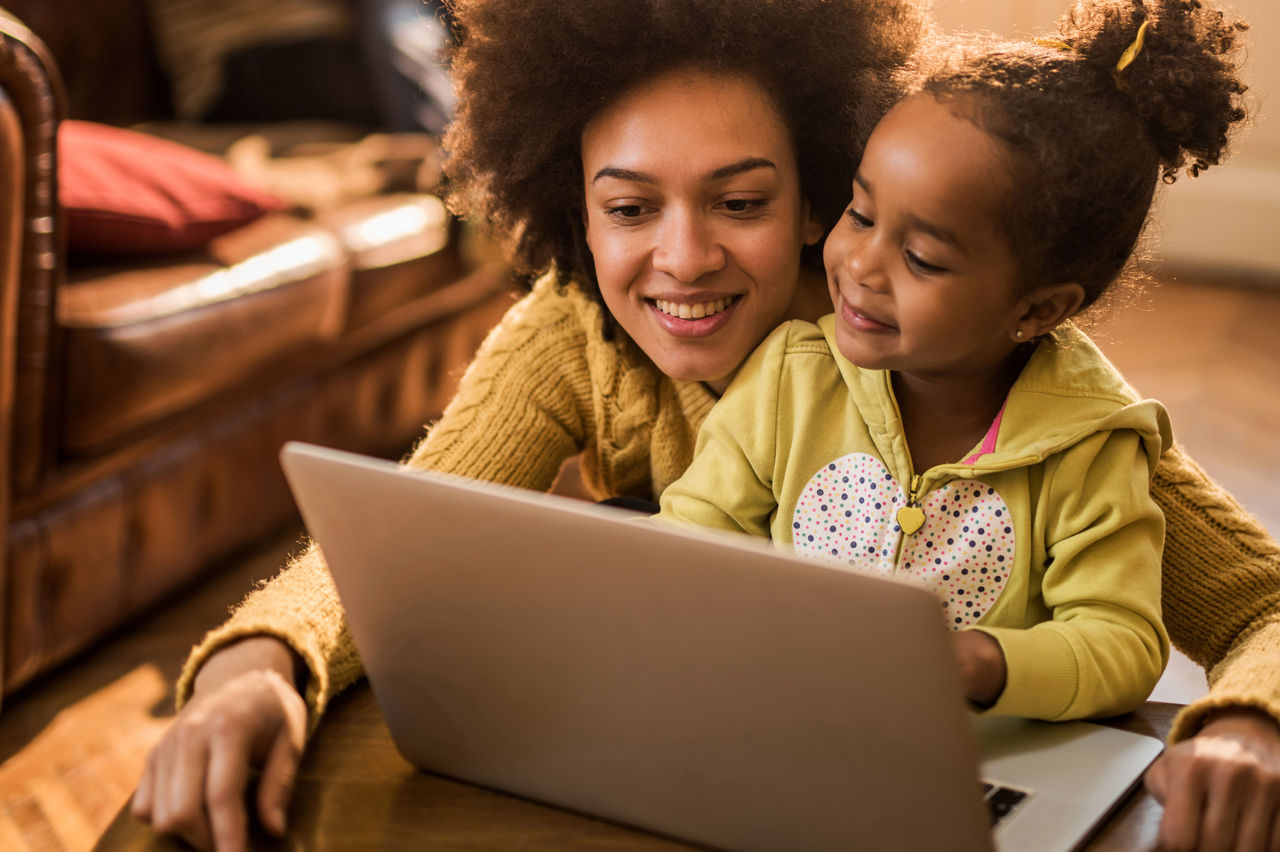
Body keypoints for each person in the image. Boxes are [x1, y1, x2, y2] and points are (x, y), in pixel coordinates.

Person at [129, 1, 1280, 850]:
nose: (680, 259)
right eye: (627, 208)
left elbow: (1260, 607)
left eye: (741, 202)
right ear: (570, 208)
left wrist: (1248, 727)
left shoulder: (978, 365)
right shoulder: (570, 331)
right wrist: (254, 663)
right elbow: (389, 547)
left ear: (821, 185)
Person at [657, 0, 1250, 725]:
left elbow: (1121, 644)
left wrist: (981, 662)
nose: (860, 266)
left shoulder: (1090, 447)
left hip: (977, 769)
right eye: (862, 214)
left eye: (921, 258)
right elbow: (688, 544)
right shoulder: (789, 378)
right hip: (782, 731)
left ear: (1035, 311)